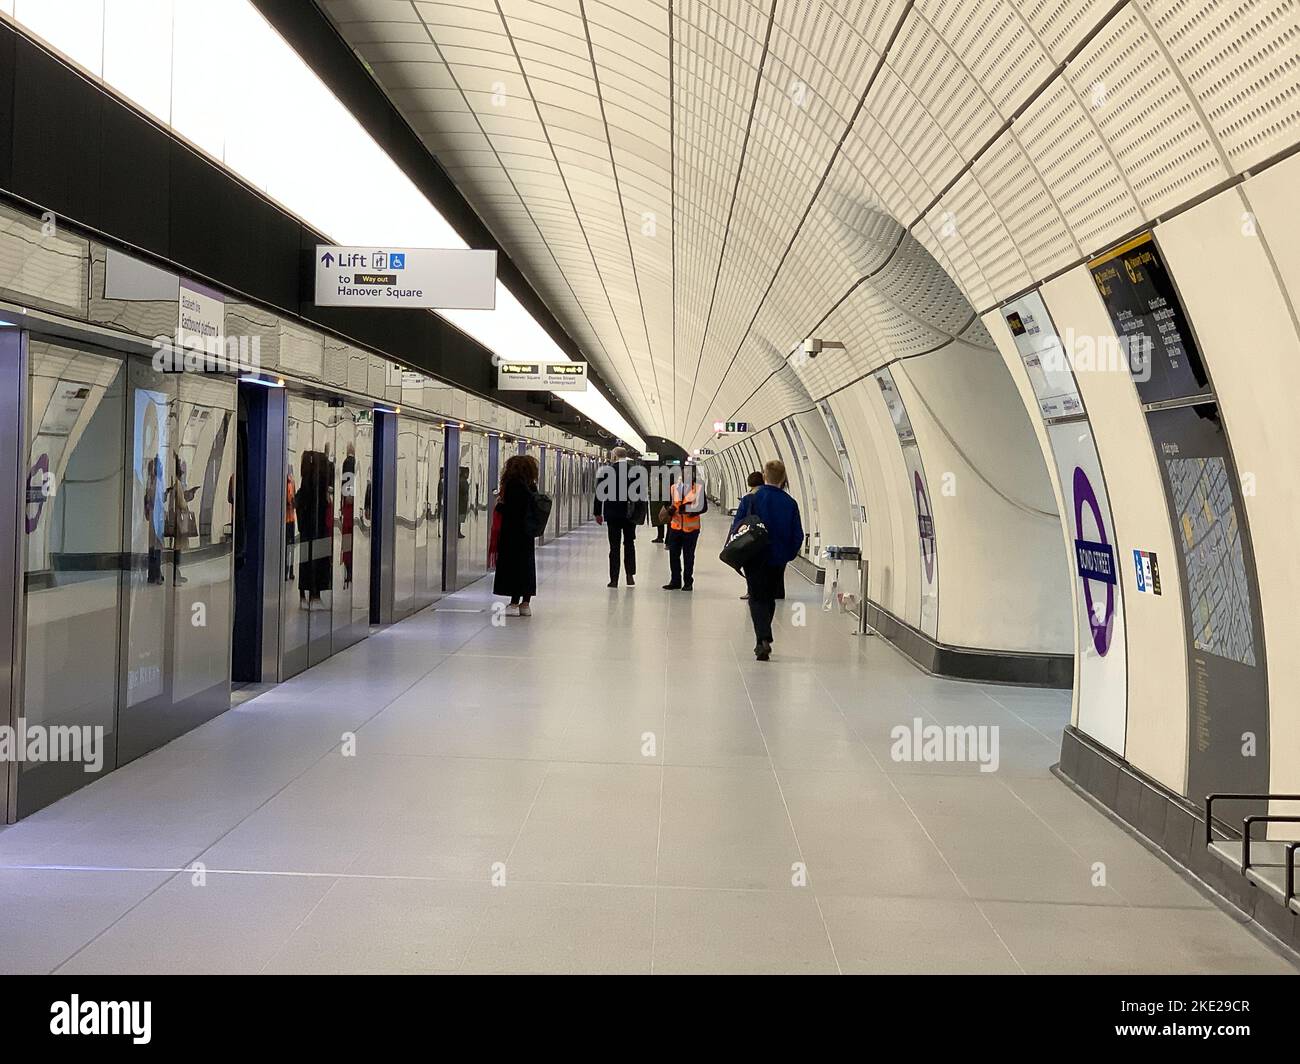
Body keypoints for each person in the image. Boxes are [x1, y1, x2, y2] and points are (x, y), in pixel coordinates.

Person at [731, 459, 803, 661]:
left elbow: (737, 527)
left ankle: (763, 638)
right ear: (783, 478)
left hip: (753, 555)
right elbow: (797, 535)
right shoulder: (790, 503)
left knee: (756, 596)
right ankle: (763, 637)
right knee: (769, 597)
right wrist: (787, 554)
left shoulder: (750, 499)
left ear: (764, 476)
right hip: (777, 558)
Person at [593, 446, 646, 588]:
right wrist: (640, 514)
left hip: (613, 514)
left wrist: (597, 513)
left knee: (614, 547)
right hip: (630, 514)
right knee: (629, 544)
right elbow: (641, 494)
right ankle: (630, 576)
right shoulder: (635, 472)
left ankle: (614, 579)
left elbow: (599, 494)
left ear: (615, 456)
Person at [493, 454, 539, 616]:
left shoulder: (513, 485)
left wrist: (499, 506)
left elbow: (512, 511)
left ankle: (513, 604)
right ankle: (525, 604)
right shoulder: (531, 486)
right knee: (526, 566)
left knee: (512, 567)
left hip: (511, 534)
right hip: (527, 534)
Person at [662, 466, 706, 591]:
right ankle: (675, 581)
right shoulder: (673, 488)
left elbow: (704, 508)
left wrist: (689, 510)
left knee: (688, 556)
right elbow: (667, 503)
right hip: (675, 527)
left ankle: (688, 582)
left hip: (691, 529)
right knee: (673, 555)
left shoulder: (698, 489)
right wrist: (670, 509)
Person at [738, 471, 763, 601]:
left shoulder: (748, 498)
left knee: (750, 565)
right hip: (767, 536)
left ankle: (751, 591)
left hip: (752, 536)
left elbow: (739, 519)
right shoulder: (772, 497)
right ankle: (775, 591)